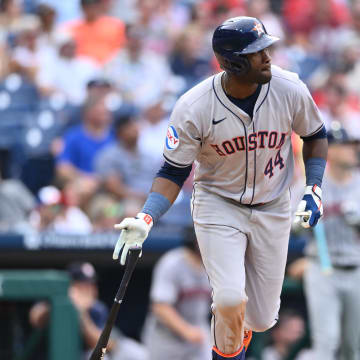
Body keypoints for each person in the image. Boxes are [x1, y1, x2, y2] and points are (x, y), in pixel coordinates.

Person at [113, 17, 328, 360]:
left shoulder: (289, 88)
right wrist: (146, 216)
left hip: (273, 203)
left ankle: (237, 335)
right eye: (257, 53)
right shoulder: (194, 106)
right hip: (219, 203)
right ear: (232, 62)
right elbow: (172, 171)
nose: (268, 57)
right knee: (229, 300)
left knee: (259, 319)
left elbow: (316, 136)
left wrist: (314, 186)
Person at [289, 123, 360, 360]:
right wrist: (304, 220)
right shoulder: (311, 184)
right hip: (321, 266)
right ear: (331, 150)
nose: (353, 150)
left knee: (354, 347)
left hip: (357, 268)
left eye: (354, 146)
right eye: (347, 146)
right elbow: (291, 227)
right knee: (326, 342)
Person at [142, 226, 212, 360]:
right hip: (165, 336)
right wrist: (187, 331)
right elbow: (160, 307)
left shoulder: (213, 264)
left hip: (198, 331)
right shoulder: (172, 263)